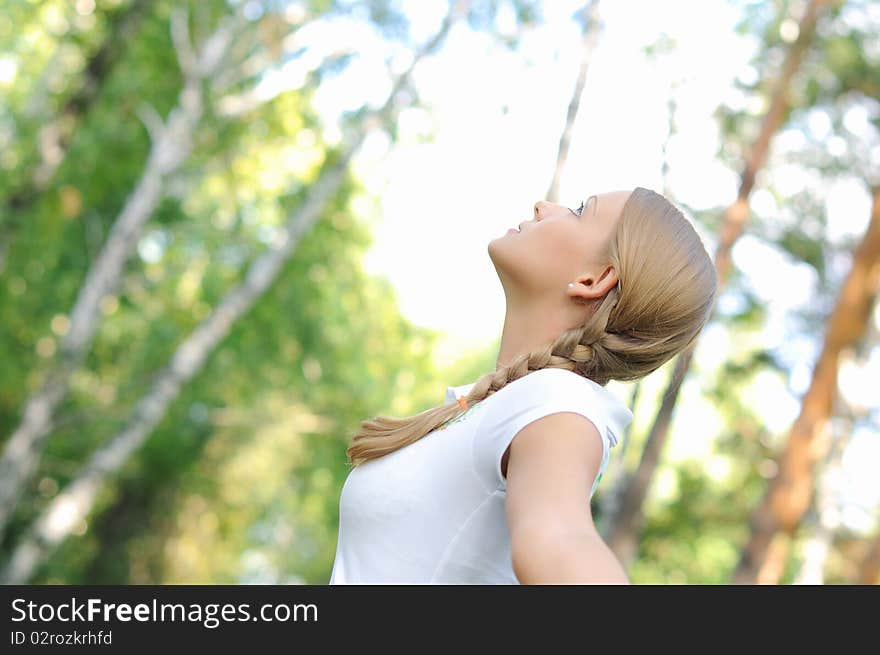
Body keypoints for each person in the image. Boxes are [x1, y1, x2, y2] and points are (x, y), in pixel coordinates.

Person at [329, 187, 718, 584]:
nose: (543, 206)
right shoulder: (509, 403)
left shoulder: (559, 403)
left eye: (581, 211)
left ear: (593, 279)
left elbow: (562, 541)